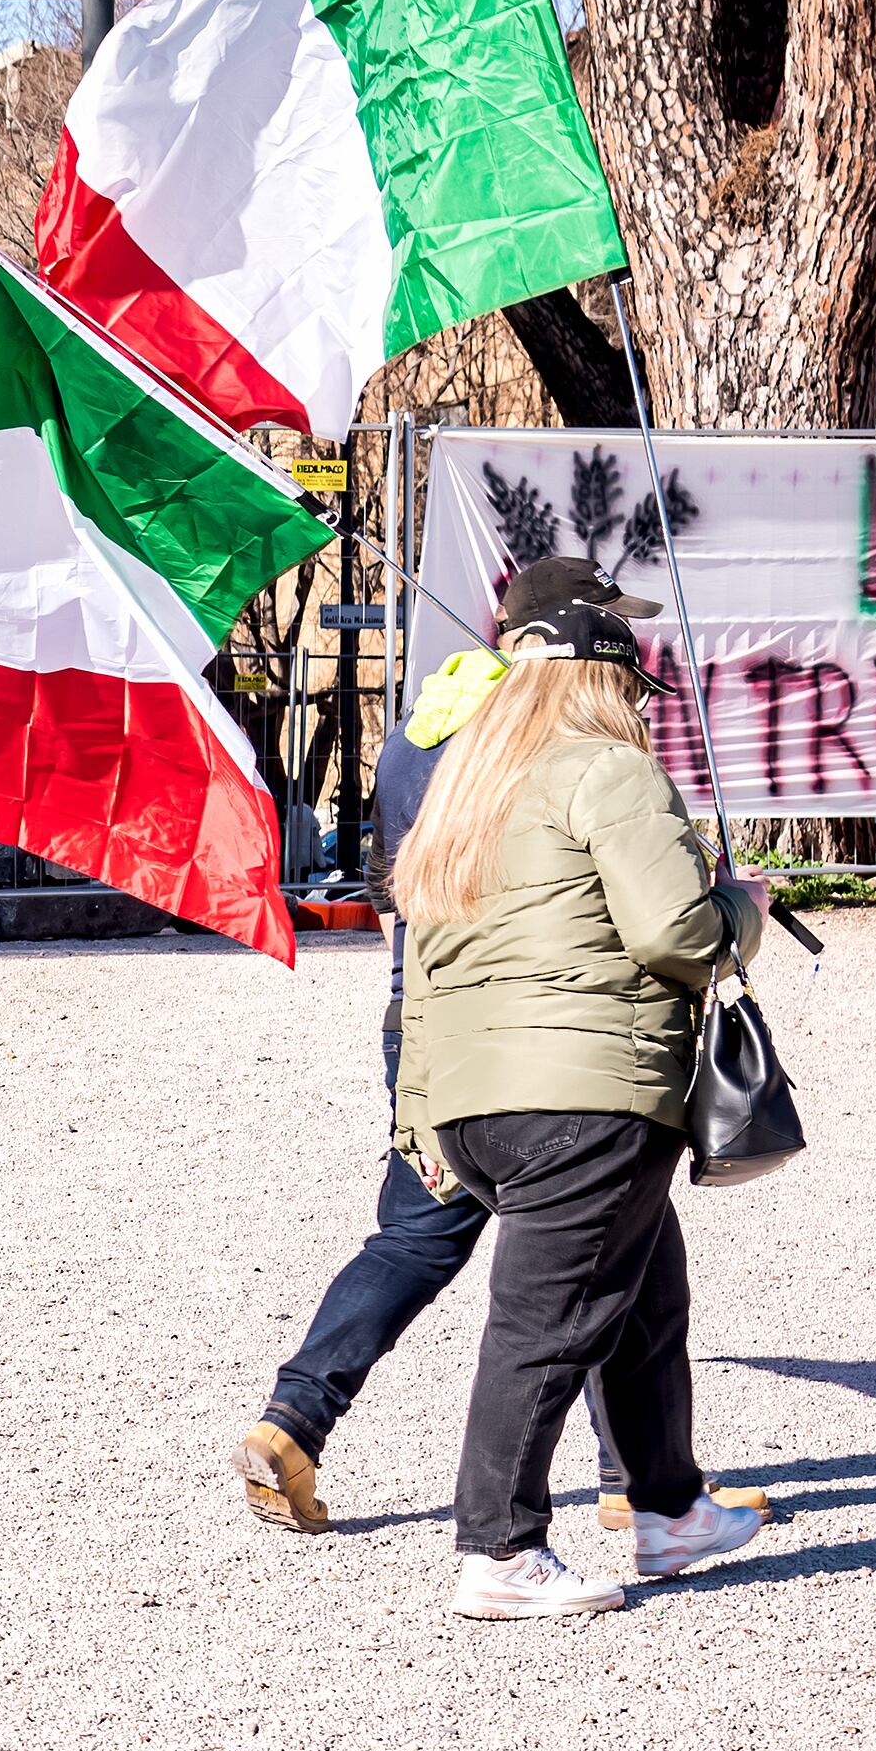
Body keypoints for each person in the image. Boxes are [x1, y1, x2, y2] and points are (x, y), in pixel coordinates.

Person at [231, 557, 763, 1542]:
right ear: (557, 636)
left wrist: (415, 1085)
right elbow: (639, 922)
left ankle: (297, 1421)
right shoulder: (538, 739)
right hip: (545, 1045)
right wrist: (725, 903)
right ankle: (587, 1506)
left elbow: (418, 908)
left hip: (441, 1029)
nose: (624, 649)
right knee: (572, 1255)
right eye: (608, 624)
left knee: (556, 1250)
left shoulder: (420, 732)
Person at [392, 598, 771, 1618]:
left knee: (646, 1296)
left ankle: (669, 1509)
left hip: (477, 1105)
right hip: (587, 1094)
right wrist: (748, 905)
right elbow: (677, 939)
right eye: (628, 686)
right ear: (603, 683)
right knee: (543, 1324)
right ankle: (500, 1551)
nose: (635, 706)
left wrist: (420, 1117)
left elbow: (419, 975)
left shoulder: (466, 793)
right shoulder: (611, 772)